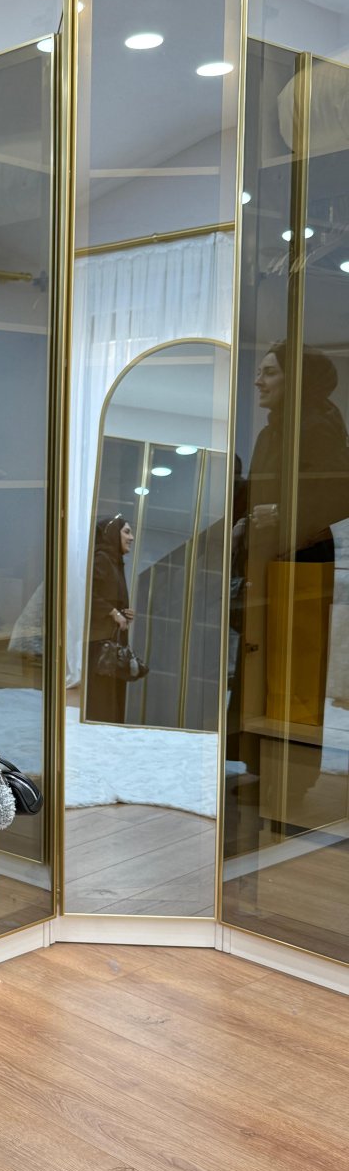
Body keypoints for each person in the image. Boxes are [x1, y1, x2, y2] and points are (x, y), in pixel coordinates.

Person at [227, 342, 349, 828]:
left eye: (270, 373)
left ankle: (292, 779)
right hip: (270, 560)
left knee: (293, 669)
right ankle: (262, 768)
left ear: (296, 380)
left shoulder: (320, 427)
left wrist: (282, 514)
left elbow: (337, 494)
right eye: (260, 372)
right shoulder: (271, 430)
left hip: (301, 563)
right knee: (261, 660)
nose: (259, 381)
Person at [85, 513, 135, 723]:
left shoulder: (114, 561)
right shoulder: (102, 559)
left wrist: (123, 612)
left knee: (112, 692)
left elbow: (107, 596)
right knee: (102, 695)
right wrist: (113, 612)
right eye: (127, 532)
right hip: (100, 643)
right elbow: (87, 594)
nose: (131, 537)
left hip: (111, 640)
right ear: (114, 534)